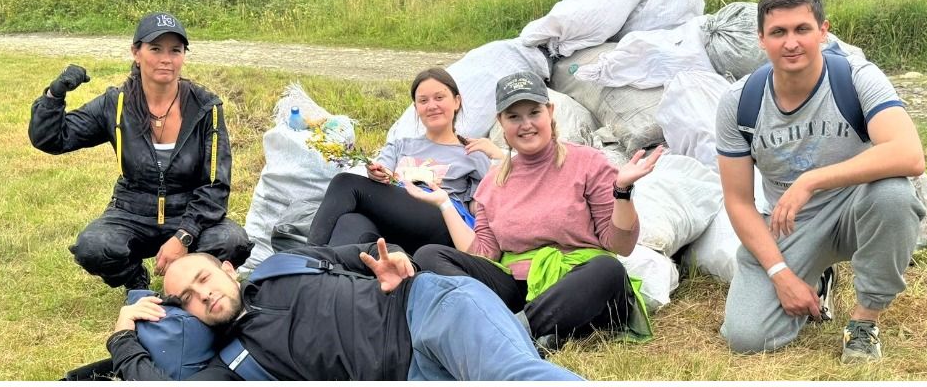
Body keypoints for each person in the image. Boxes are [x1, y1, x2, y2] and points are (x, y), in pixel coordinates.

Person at [715, 0, 927, 362]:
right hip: (791, 223)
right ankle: (817, 274)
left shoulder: (856, 79)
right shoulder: (740, 103)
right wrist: (781, 273)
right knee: (746, 337)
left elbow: (910, 154)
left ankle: (864, 322)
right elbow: (738, 201)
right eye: (778, 32)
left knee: (894, 194)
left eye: (802, 29)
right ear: (761, 39)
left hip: (857, 209)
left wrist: (811, 180)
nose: (791, 43)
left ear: (824, 32)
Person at [408, 71, 665, 348]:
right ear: (501, 123)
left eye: (534, 112)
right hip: (519, 287)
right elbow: (485, 254)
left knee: (608, 269)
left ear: (550, 112)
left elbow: (620, 245)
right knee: (429, 255)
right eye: (514, 116)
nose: (526, 124)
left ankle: (507, 333)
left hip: (578, 285)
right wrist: (445, 203)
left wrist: (622, 192)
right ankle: (536, 330)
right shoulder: (492, 184)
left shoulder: (588, 162)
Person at [106, 239, 583, 380]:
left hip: (423, 311)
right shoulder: (231, 362)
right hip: (408, 376)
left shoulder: (282, 265)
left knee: (517, 378)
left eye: (203, 279)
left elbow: (377, 251)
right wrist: (124, 337)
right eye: (187, 298)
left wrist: (401, 262)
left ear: (229, 269)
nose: (202, 295)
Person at [28, 13, 250, 290]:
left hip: (188, 211)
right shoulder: (116, 105)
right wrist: (53, 96)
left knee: (231, 240)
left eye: (175, 50)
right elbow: (51, 139)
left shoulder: (206, 108)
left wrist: (184, 236)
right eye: (155, 49)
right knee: (93, 246)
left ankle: (189, 280)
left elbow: (215, 184)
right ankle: (135, 281)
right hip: (131, 211)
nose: (165, 58)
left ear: (183, 56)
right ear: (136, 53)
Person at [307, 68, 496, 255]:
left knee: (345, 183)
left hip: (440, 221)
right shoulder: (400, 146)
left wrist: (500, 158)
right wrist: (378, 174)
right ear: (416, 108)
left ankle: (303, 259)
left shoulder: (473, 152)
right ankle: (328, 277)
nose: (431, 106)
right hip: (396, 220)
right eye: (423, 100)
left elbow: (489, 202)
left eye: (439, 98)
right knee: (349, 222)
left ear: (456, 101)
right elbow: (383, 178)